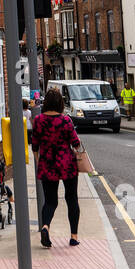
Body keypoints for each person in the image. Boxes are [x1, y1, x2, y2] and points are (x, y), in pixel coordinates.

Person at [31, 87, 81, 248]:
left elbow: (35, 147)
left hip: (47, 164)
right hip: (66, 163)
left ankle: (45, 227)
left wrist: (39, 162)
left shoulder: (38, 120)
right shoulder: (66, 120)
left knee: (50, 201)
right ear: (60, 103)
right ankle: (73, 236)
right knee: (71, 199)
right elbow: (76, 143)